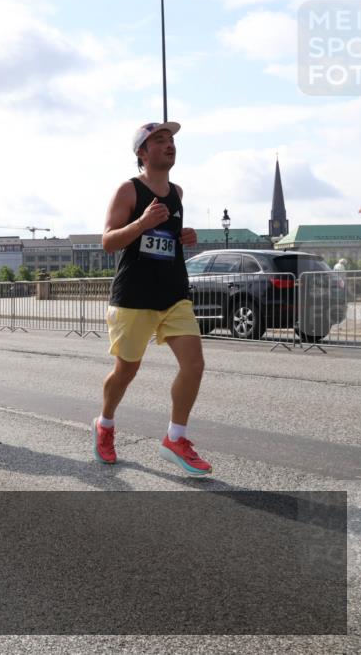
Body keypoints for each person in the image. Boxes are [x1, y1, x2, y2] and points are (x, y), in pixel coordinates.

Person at [94, 121, 210, 476]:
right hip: (134, 297)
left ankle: (176, 437)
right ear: (142, 153)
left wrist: (183, 236)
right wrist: (141, 223)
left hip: (174, 294)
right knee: (126, 370)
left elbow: (166, 238)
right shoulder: (128, 191)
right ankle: (105, 424)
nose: (169, 144)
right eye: (159, 140)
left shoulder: (177, 192)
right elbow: (109, 241)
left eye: (171, 140)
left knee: (194, 364)